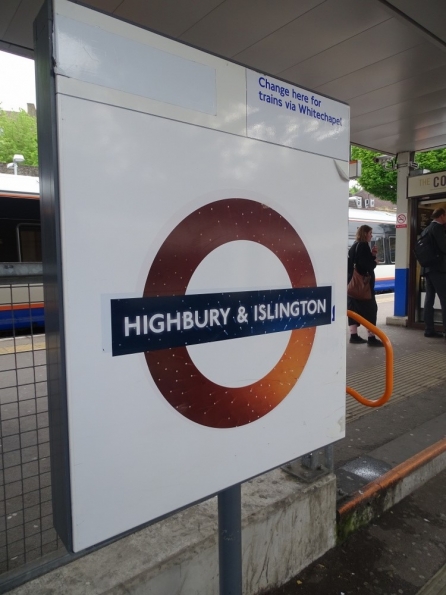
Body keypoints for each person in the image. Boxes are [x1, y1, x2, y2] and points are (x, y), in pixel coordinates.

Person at [347, 224, 383, 347]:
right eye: (370, 233)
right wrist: (374, 261)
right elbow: (366, 266)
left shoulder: (354, 246)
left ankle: (354, 335)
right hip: (364, 287)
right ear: (365, 234)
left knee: (352, 309)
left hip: (352, 285)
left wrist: (371, 255)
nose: (371, 236)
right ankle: (371, 338)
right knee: (371, 309)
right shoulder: (363, 246)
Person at [421, 207, 446, 338]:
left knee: (429, 299)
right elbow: (443, 247)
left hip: (428, 269)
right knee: (444, 299)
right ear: (442, 216)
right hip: (438, 269)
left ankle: (429, 329)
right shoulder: (437, 228)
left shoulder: (427, 229)